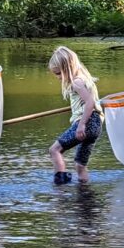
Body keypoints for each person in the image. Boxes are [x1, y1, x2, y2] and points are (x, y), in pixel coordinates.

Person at [48, 46, 103, 184]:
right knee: (80, 165)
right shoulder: (85, 79)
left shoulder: (77, 82)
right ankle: (85, 194)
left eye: (59, 73)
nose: (58, 77)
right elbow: (89, 102)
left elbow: (89, 103)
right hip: (96, 125)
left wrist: (81, 125)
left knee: (55, 150)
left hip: (87, 122)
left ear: (68, 67)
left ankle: (61, 188)